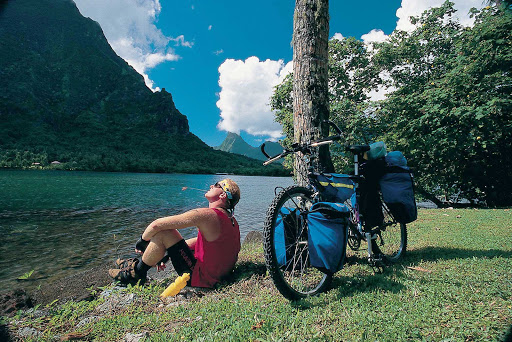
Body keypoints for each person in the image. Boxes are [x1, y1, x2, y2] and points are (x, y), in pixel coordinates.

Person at [109, 179, 241, 288]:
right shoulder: (231, 220)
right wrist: (167, 254)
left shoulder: (208, 215)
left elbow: (157, 225)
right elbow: (201, 242)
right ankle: (136, 265)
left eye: (217, 185)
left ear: (223, 195)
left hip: (202, 279)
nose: (212, 185)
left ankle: (135, 274)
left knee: (164, 233)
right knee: (169, 238)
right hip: (219, 275)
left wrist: (142, 242)